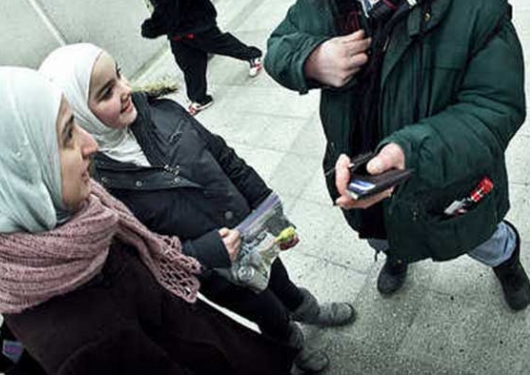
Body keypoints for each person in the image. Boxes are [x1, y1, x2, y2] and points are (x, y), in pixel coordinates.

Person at [264, 0, 530, 312]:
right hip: (363, 178)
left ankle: (506, 259)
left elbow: (495, 110)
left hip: (445, 178)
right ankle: (396, 253)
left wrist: (411, 152)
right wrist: (312, 59)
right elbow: (277, 46)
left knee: (479, 237)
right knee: (383, 235)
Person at [0, 67, 294, 375]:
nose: (89, 145)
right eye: (66, 135)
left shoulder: (71, 221)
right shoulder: (82, 343)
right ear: (14, 177)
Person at [39, 43, 357, 373]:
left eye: (119, 75)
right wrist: (203, 252)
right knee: (267, 312)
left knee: (280, 280)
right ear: (78, 115)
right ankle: (290, 344)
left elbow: (225, 158)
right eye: (106, 93)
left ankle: (304, 307)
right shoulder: (99, 189)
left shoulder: (163, 112)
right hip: (216, 273)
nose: (126, 90)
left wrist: (269, 211)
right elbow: (144, 256)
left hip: (253, 230)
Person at [111, 0, 263, 116]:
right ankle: (200, 99)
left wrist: (153, 26)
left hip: (194, 19)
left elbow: (170, 1)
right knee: (187, 60)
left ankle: (253, 56)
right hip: (180, 25)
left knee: (218, 44)